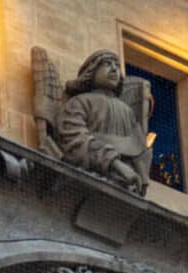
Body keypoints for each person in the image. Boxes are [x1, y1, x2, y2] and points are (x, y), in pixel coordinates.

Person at [55, 50, 152, 194]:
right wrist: (116, 164)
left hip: (127, 185)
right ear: (91, 71)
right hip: (90, 181)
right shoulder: (80, 102)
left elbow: (139, 149)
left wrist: (142, 177)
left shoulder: (128, 112)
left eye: (117, 66)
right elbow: (76, 140)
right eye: (107, 64)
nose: (114, 69)